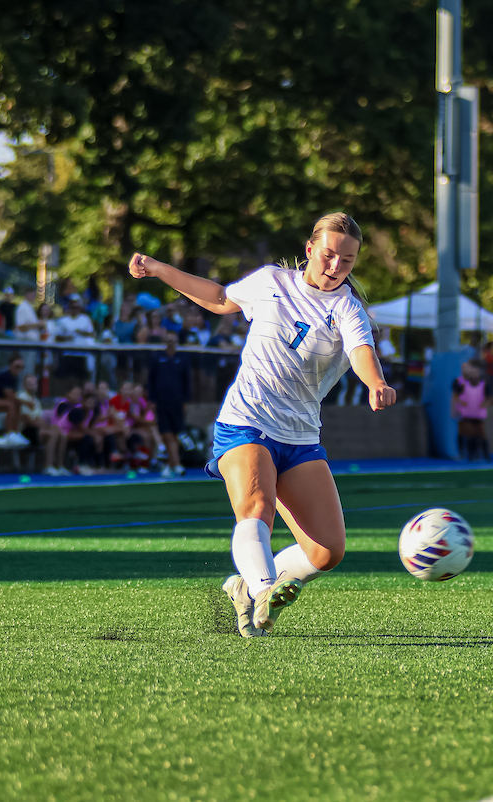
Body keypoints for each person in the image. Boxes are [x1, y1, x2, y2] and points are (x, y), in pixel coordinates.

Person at [128, 212, 396, 637]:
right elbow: (218, 299)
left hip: (301, 436)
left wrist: (376, 382)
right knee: (256, 508)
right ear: (310, 249)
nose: (335, 267)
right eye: (328, 255)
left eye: (347, 261)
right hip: (246, 421)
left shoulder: (348, 308)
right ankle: (264, 588)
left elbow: (361, 350)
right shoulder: (272, 281)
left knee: (327, 552)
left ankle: (247, 589)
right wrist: (159, 269)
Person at [146, 331, 191, 477]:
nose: (171, 342)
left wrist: (186, 401)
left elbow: (187, 382)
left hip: (177, 402)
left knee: (177, 432)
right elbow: (151, 380)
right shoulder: (158, 358)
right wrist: (152, 400)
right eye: (168, 339)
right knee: (166, 433)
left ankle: (173, 464)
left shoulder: (182, 359)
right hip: (161, 402)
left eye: (173, 339)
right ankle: (174, 464)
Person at [452, 359, 492, 462]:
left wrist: (484, 404)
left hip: (477, 413)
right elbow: (455, 396)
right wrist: (456, 407)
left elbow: (488, 397)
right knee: (465, 433)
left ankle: (482, 454)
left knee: (479, 434)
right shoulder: (460, 382)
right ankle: (465, 453)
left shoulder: (480, 383)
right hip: (465, 413)